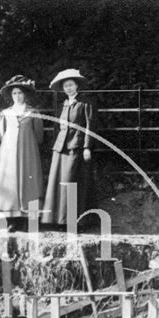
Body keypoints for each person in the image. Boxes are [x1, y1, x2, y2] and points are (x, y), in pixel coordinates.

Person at [42, 68, 97, 228]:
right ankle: (58, 220)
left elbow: (90, 126)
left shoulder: (85, 103)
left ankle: (74, 221)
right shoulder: (62, 105)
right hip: (60, 149)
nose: (68, 88)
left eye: (71, 85)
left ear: (77, 86)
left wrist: (87, 147)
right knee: (58, 182)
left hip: (76, 148)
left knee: (71, 182)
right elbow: (57, 128)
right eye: (66, 86)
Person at [0, 75, 44, 229]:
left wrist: (28, 144)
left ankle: (29, 220)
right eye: (14, 93)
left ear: (25, 94)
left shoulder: (33, 112)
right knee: (10, 182)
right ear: (11, 96)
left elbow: (39, 135)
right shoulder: (6, 113)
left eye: (20, 93)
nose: (17, 96)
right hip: (9, 153)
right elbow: (2, 134)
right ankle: (12, 220)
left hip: (28, 152)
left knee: (29, 182)